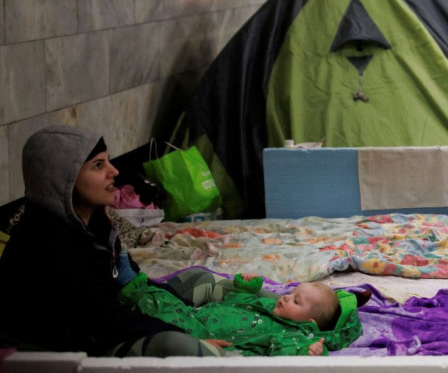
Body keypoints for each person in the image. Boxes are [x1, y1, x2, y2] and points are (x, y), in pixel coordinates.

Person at [0, 125, 223, 357]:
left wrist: (188, 311)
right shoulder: (46, 240)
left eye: (108, 161)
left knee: (200, 280)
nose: (114, 171)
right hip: (64, 350)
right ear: (62, 180)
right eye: (98, 165)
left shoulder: (96, 222)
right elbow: (104, 318)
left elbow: (134, 283)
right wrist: (188, 334)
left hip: (104, 324)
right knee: (178, 346)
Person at [119, 268, 362, 356]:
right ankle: (133, 286)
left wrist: (309, 354)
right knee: (170, 300)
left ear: (309, 322)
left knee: (162, 310)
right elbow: (240, 300)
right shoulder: (270, 306)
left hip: (203, 333)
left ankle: (128, 287)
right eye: (291, 293)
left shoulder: (293, 336)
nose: (286, 297)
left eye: (296, 302)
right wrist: (246, 286)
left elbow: (285, 356)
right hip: (201, 314)